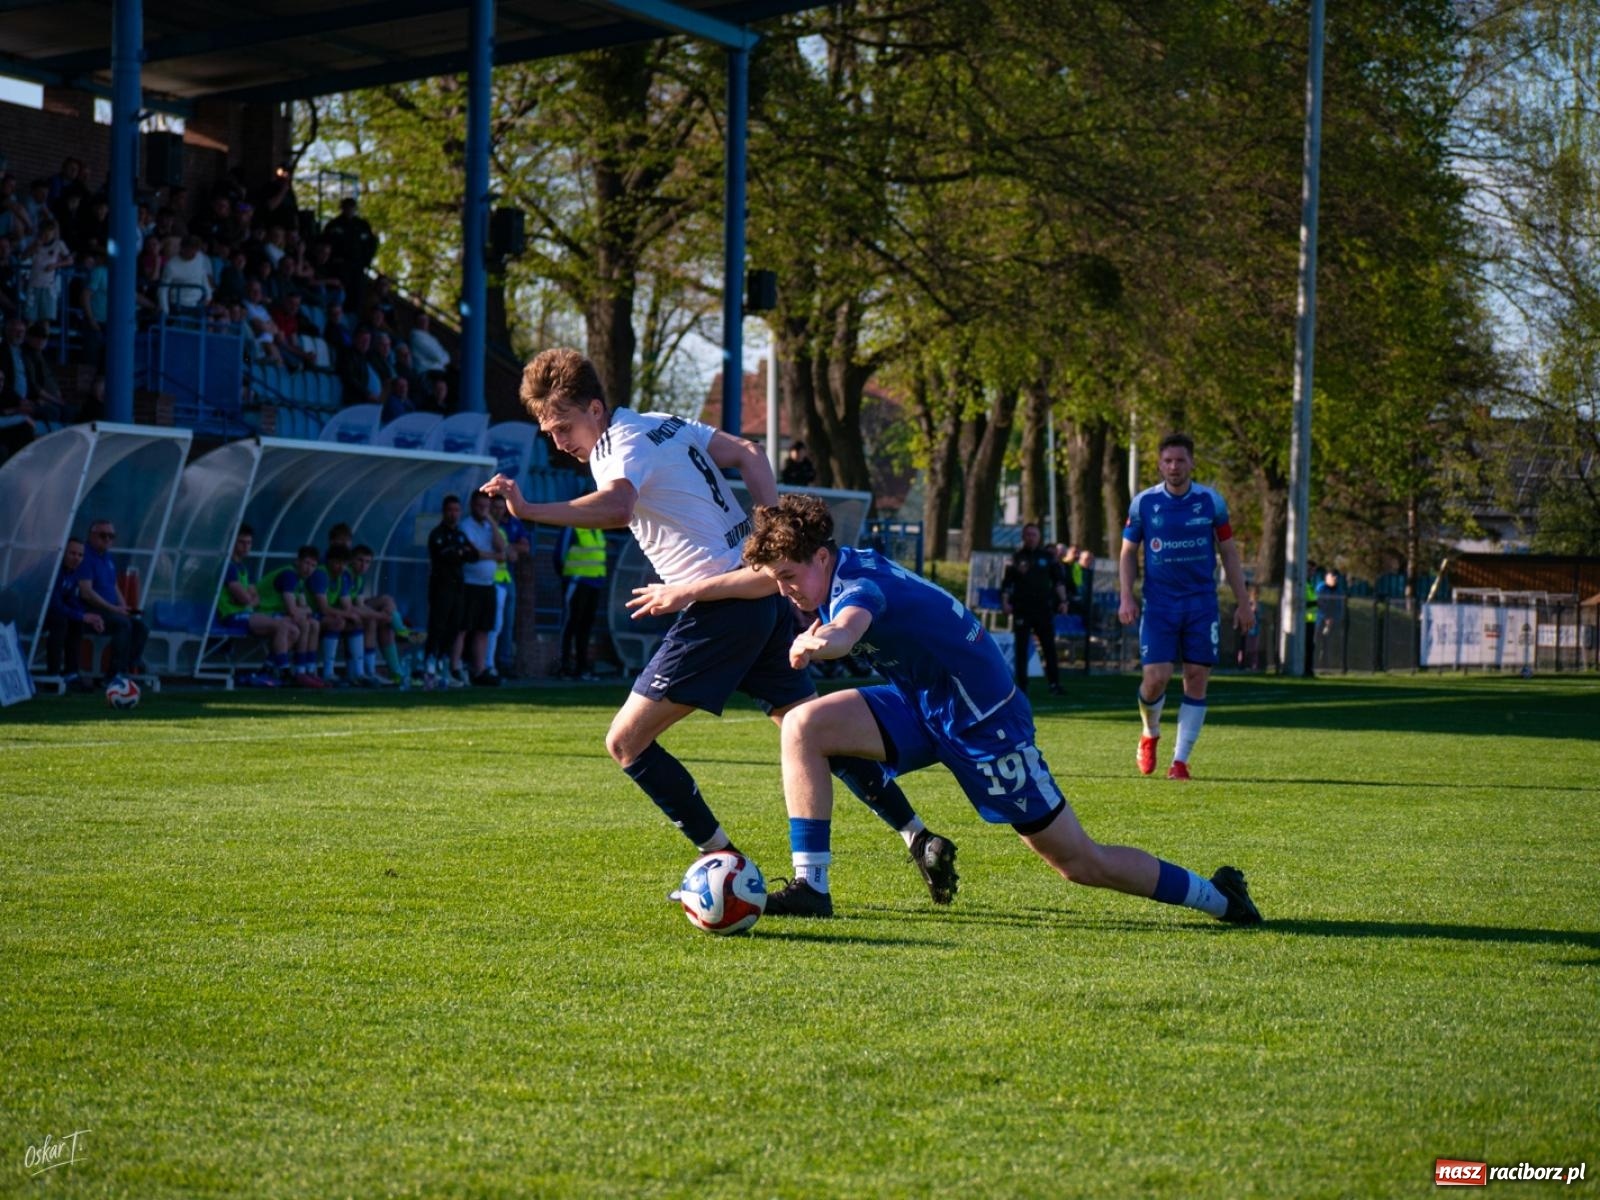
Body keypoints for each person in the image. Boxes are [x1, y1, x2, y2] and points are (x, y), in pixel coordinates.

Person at [645, 494, 1261, 924]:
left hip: (985, 723)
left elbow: (848, 628)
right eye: (777, 579)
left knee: (1078, 861)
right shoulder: (825, 567)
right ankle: (813, 887)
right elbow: (756, 578)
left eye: (788, 577)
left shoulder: (857, 586)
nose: (783, 590)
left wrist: (818, 643)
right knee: (804, 725)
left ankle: (1219, 897)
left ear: (821, 557)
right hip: (924, 702)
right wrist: (685, 591)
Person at [486, 347, 956, 899]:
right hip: (757, 597)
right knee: (812, 730)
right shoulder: (661, 423)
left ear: (595, 408)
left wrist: (529, 510)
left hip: (720, 610)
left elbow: (617, 507)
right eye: (549, 432)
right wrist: (774, 532)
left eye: (564, 426)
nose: (560, 442)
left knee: (626, 742)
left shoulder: (618, 445)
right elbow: (750, 453)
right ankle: (915, 837)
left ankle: (724, 866)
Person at [1118, 433, 1254, 781]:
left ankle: (1180, 761)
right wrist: (1126, 596)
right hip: (1159, 605)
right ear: (1160, 464)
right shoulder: (1144, 503)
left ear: (1192, 463)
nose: (1174, 467)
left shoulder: (1211, 502)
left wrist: (1243, 603)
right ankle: (1150, 733)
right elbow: (1128, 552)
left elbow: (1229, 553)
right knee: (1156, 679)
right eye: (1168, 461)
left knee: (1196, 677)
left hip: (1201, 605)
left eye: (1180, 460)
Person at [215, 523, 296, 687]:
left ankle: (266, 669)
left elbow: (254, 597)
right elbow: (245, 597)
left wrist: (247, 599)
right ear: (232, 542)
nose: (246, 547)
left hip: (245, 614)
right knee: (282, 626)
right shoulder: (228, 566)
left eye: (249, 543)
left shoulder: (243, 567)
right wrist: (247, 599)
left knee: (293, 629)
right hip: (231, 616)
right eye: (242, 542)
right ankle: (284, 671)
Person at [73, 518, 148, 683]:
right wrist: (114, 609)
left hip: (110, 610)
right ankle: (115, 674)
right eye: (103, 535)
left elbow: (113, 585)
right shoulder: (84, 556)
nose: (107, 539)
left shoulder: (107, 557)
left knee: (141, 627)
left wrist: (123, 607)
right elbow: (86, 592)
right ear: (91, 535)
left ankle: (129, 664)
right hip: (91, 611)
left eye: (111, 536)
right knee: (123, 624)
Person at [1000, 522, 1067, 697]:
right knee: (1021, 648)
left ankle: (1054, 684)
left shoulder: (1048, 557)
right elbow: (1007, 584)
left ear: (1039, 537)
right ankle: (1022, 685)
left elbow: (1058, 582)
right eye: (1028, 534)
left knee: (1049, 647)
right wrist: (1005, 602)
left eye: (1034, 534)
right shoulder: (1016, 558)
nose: (1031, 538)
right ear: (1023, 537)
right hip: (1022, 608)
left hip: (1043, 609)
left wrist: (1063, 601)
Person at [254, 545, 326, 688]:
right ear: (297, 561)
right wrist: (305, 610)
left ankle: (309, 670)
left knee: (314, 623)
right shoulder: (289, 575)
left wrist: (304, 610)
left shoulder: (300, 580)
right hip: (262, 613)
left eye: (313, 565)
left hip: (277, 614)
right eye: (307, 563)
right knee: (303, 624)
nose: (309, 569)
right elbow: (293, 610)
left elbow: (306, 609)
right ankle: (299, 671)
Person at [424, 495, 474, 689]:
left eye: (456, 510)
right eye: (450, 510)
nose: (453, 514)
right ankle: (429, 667)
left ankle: (443, 666)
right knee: (438, 626)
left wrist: (459, 552)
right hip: (441, 586)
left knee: (454, 627)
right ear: (444, 512)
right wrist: (459, 552)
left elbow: (473, 554)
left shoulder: (460, 535)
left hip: (458, 586)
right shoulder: (437, 534)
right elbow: (445, 555)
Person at [456, 489, 505, 686]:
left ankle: (480, 669)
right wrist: (494, 556)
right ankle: (456, 666)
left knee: (484, 629)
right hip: (469, 584)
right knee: (463, 628)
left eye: (486, 507)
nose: (482, 510)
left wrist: (491, 521)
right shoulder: (466, 525)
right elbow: (474, 553)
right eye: (479, 506)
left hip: (487, 585)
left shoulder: (489, 526)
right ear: (472, 506)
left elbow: (502, 548)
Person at [44, 537, 101, 691]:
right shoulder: (53, 570)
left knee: (76, 621)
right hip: (33, 614)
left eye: (80, 555)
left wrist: (90, 618)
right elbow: (54, 604)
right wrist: (82, 616)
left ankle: (72, 673)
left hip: (53, 615)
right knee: (61, 620)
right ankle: (53, 675)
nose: (76, 558)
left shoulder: (73, 573)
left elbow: (70, 600)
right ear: (63, 553)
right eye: (72, 553)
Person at [554, 523, 607, 681]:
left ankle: (582, 667)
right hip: (577, 581)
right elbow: (559, 555)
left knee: (586, 626)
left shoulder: (597, 528)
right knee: (570, 622)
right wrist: (569, 576)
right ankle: (563, 666)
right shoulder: (573, 527)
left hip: (595, 582)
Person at [488, 494, 529, 679]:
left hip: (505, 578)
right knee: (491, 625)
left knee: (505, 622)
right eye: (495, 507)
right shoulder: (487, 525)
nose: (498, 511)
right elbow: (507, 551)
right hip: (488, 579)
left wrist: (509, 548)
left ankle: (503, 661)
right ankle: (488, 663)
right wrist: (509, 549)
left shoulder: (512, 524)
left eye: (501, 507)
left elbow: (524, 547)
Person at [408, 311, 450, 378]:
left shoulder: (432, 338)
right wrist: (442, 360)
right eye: (421, 320)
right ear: (416, 322)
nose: (424, 322)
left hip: (440, 370)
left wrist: (442, 360)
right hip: (427, 371)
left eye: (426, 320)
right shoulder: (416, 337)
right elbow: (436, 357)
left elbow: (447, 357)